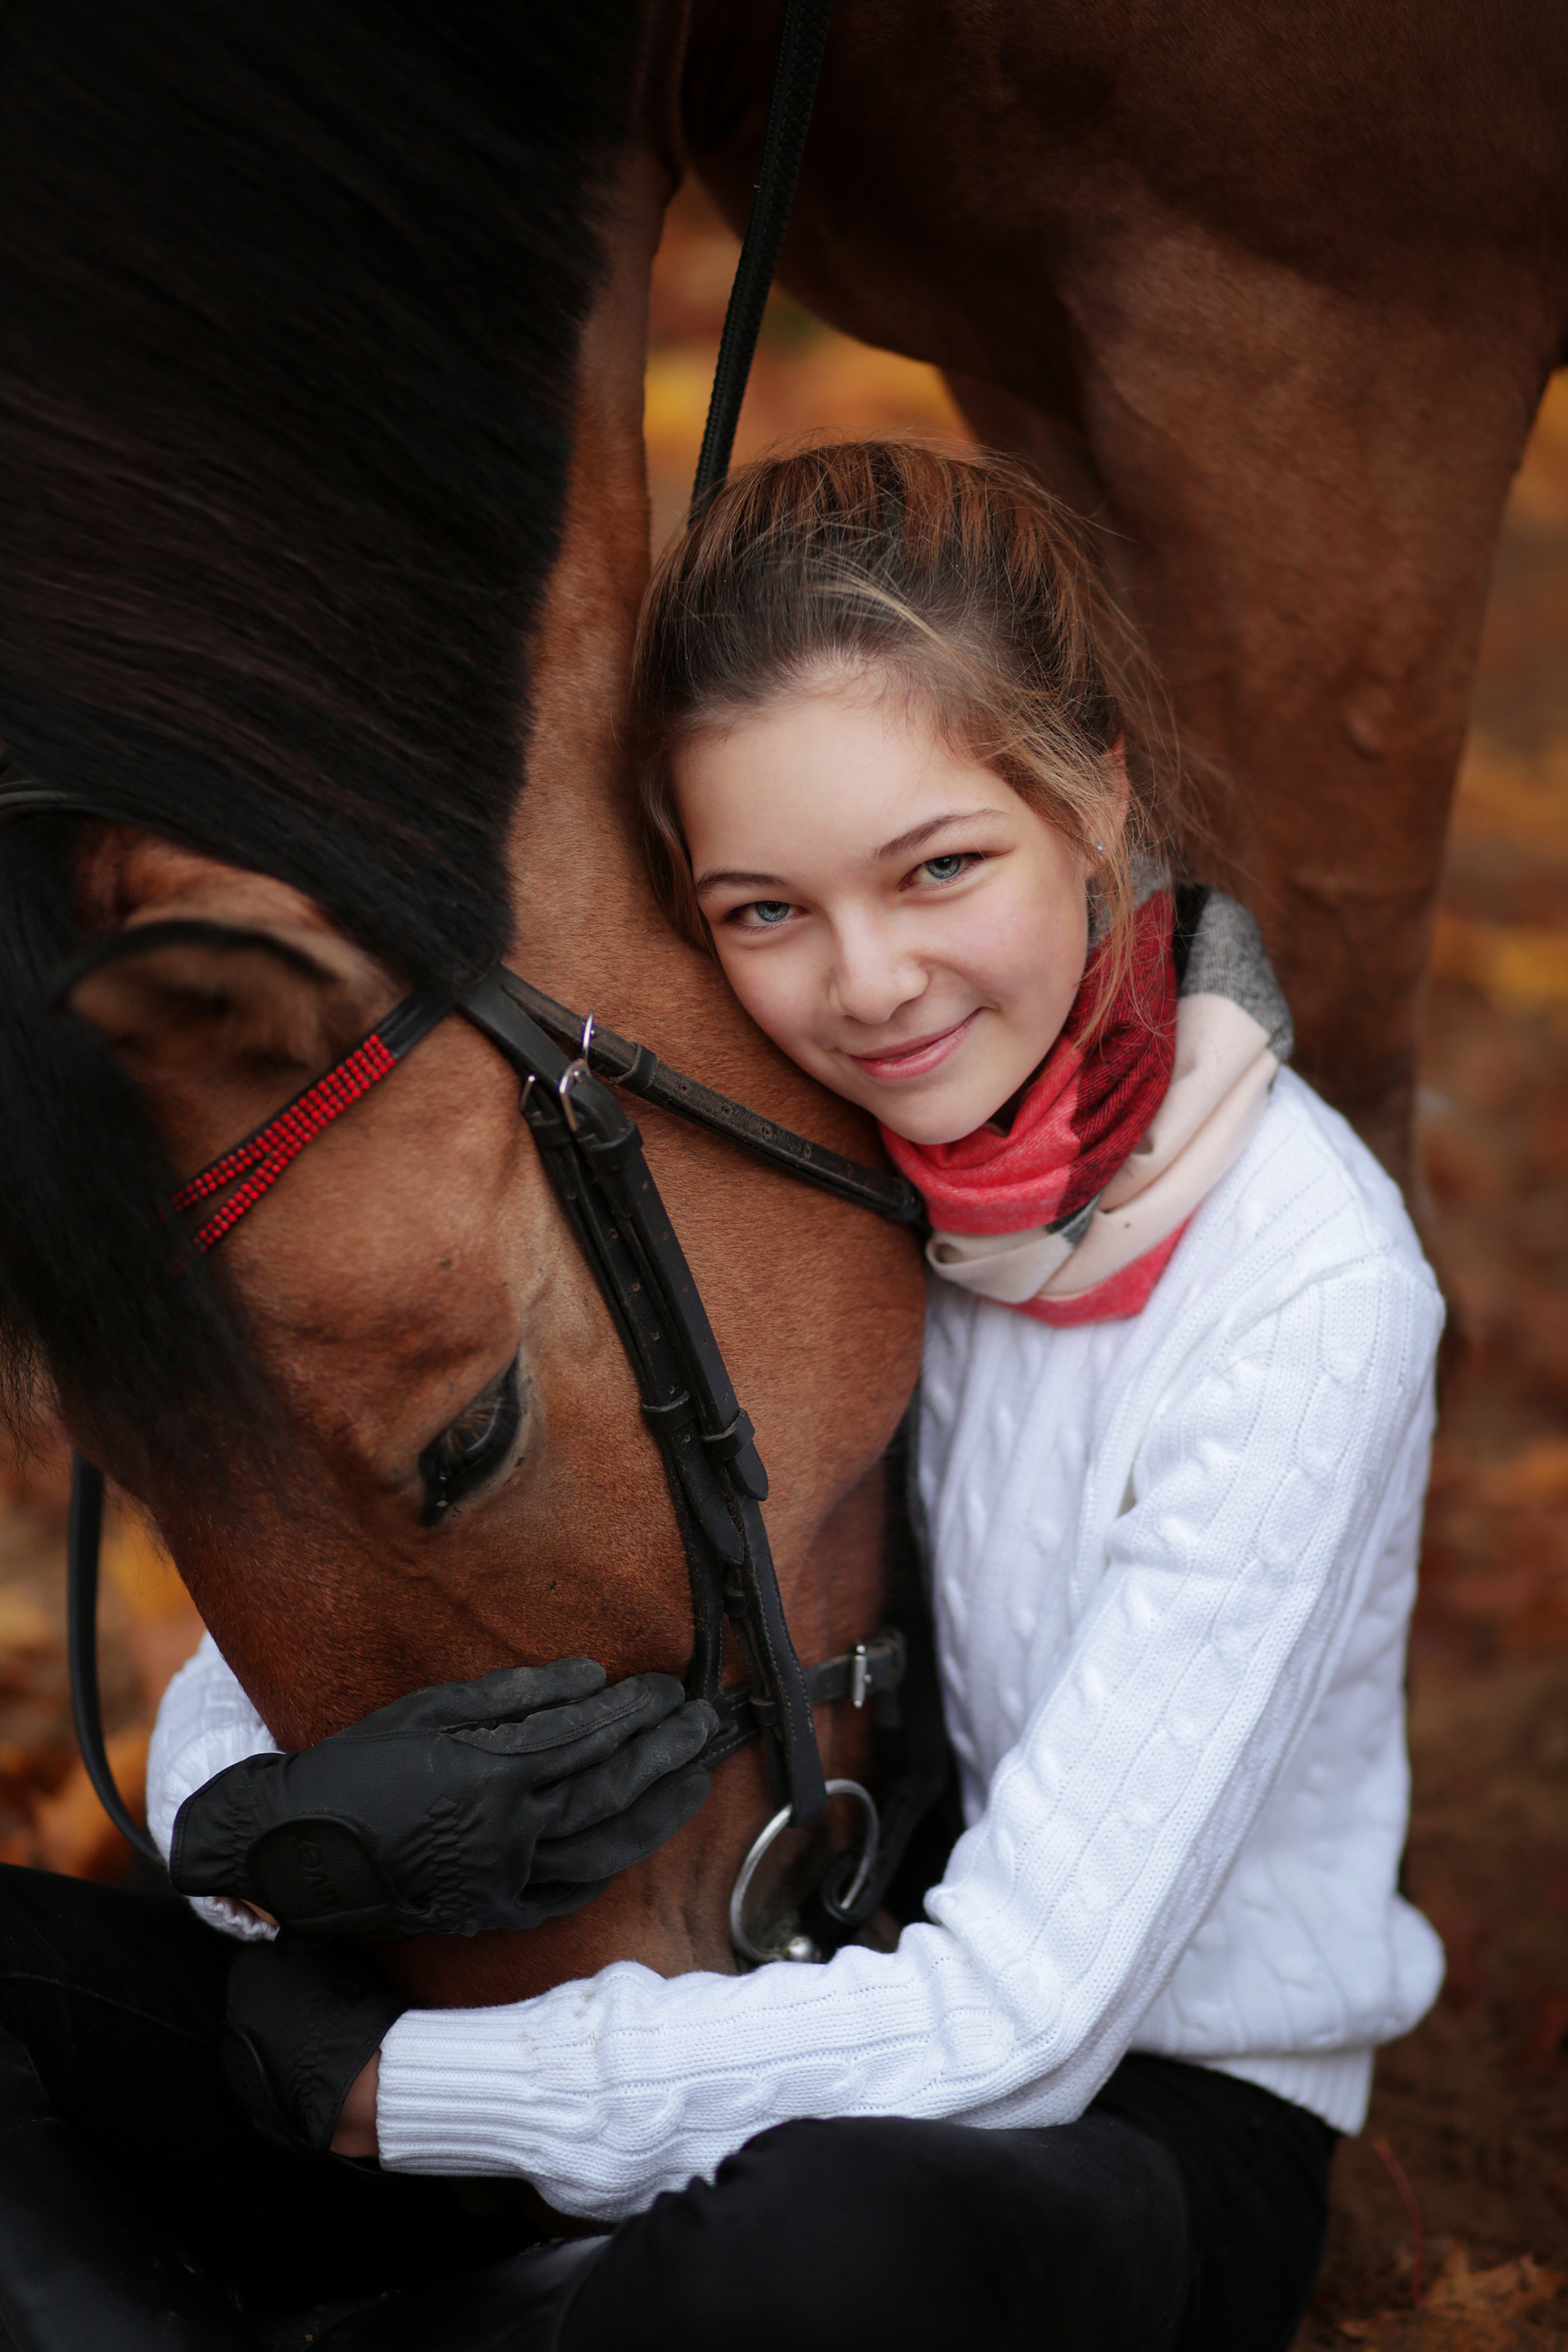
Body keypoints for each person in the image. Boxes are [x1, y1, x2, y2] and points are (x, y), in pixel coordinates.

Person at [139, 440, 1445, 2351]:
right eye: (764, 911)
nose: (873, 985)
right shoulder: (809, 1126)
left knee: (818, 2259)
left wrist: (393, 2092)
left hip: (1112, 2108)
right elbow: (395, 1501)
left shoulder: (1309, 1284)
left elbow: (1021, 2029)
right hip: (759, 1973)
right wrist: (249, 1817)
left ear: (1095, 793)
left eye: (940, 869)